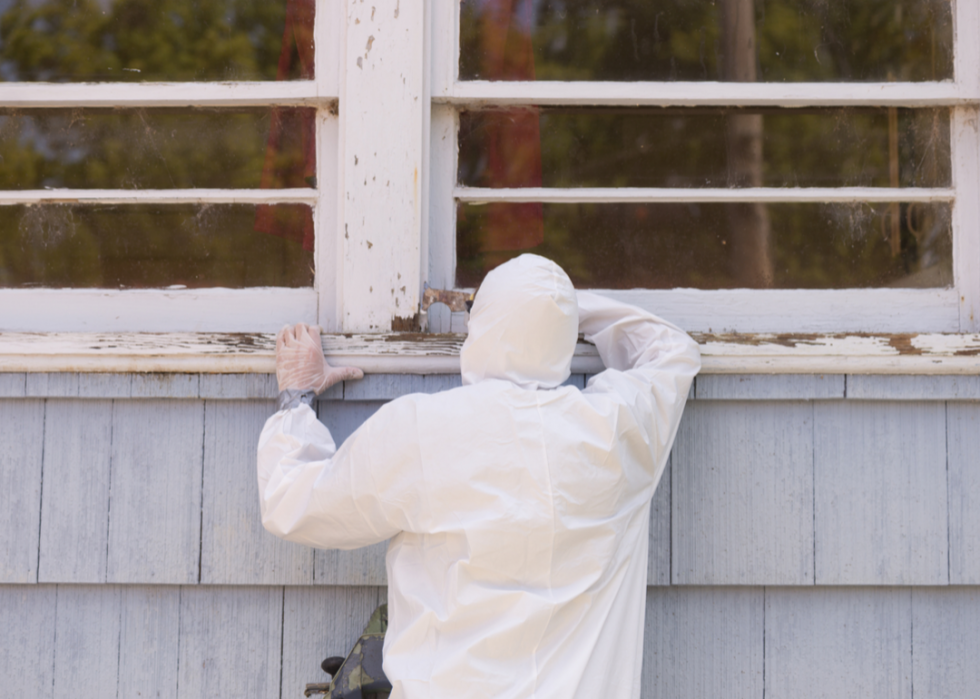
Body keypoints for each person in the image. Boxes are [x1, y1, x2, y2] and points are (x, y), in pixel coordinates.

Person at [257, 254, 700, 699]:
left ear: (484, 328)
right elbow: (671, 350)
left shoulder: (423, 430)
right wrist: (556, 311)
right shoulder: (614, 433)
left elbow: (293, 502)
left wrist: (297, 398)